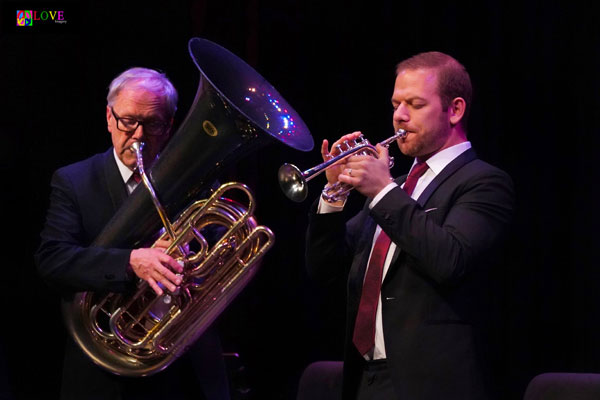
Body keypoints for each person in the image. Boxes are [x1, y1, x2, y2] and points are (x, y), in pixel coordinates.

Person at [305, 52, 515, 400]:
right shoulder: (399, 188)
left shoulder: (485, 182)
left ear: (455, 110)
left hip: (433, 384)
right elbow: (324, 270)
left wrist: (382, 190)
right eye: (395, 103)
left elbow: (450, 259)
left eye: (415, 104)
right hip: (366, 380)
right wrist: (333, 194)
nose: (399, 116)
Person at [35, 67, 230, 400]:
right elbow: (52, 261)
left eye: (152, 123)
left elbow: (224, 263)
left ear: (169, 126)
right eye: (128, 121)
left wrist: (189, 262)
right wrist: (131, 262)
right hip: (104, 375)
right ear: (109, 118)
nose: (138, 135)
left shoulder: (196, 185)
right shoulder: (75, 181)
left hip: (184, 372)